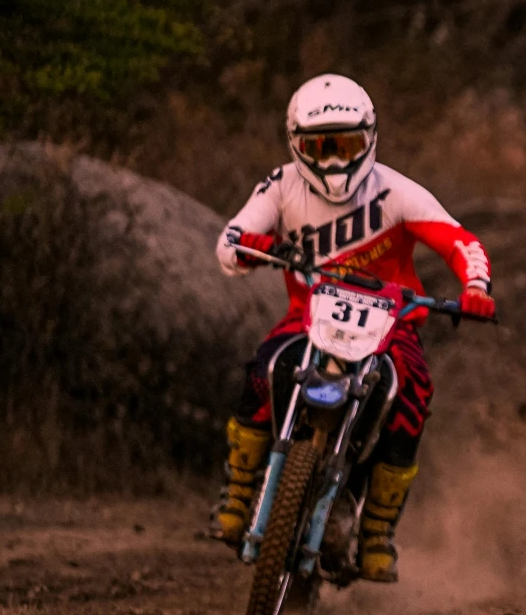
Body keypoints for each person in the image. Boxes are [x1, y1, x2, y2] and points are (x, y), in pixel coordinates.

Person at [207, 75, 495, 581]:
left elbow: (457, 239)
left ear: (370, 138)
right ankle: (237, 493)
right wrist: (256, 249)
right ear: (297, 145)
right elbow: (231, 238)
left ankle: (377, 532)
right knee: (266, 367)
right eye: (322, 147)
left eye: (347, 145)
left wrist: (475, 286)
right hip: (309, 317)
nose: (335, 161)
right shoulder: (281, 186)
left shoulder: (396, 190)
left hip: (390, 323)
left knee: (411, 393)